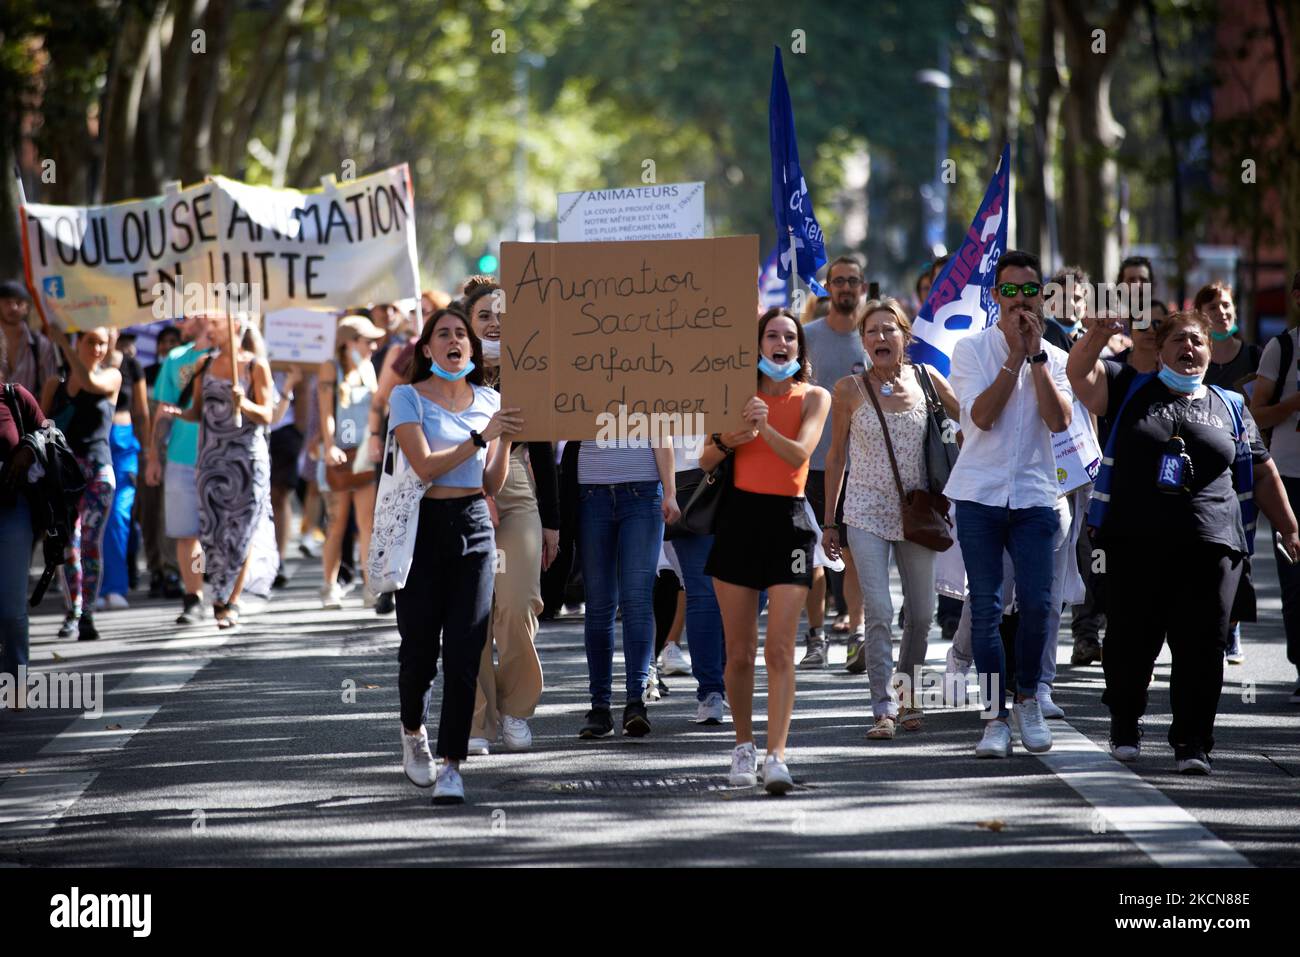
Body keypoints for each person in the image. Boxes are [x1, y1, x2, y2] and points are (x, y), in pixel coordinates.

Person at [1068, 308, 1299, 772]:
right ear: (1160, 350)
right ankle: (1126, 725)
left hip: (1212, 544)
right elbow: (1078, 374)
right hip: (1134, 544)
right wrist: (1096, 334)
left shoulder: (1231, 405)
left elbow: (1263, 468)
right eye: (1179, 340)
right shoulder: (1127, 388)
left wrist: (1290, 527)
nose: (1189, 348)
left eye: (1197, 341)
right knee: (1132, 640)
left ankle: (1192, 742)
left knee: (1203, 645)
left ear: (1210, 353)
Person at [943, 250, 1072, 759]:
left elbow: (1059, 422)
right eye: (1010, 291)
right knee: (988, 609)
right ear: (994, 296)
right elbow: (983, 417)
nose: (1021, 301)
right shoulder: (970, 348)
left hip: (1038, 495)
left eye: (1030, 291)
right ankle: (995, 717)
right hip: (979, 494)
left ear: (1042, 296)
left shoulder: (1057, 357)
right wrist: (1013, 356)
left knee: (1040, 605)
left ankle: (1028, 700)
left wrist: (1037, 357)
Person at [391, 305, 522, 804]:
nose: (453, 341)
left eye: (460, 335)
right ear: (427, 349)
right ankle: (412, 731)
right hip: (421, 529)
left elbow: (491, 483)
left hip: (473, 527)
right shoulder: (408, 398)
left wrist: (504, 438)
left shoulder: (489, 399)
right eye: (442, 334)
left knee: (466, 651)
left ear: (472, 348)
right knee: (420, 651)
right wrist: (480, 437)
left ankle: (451, 764)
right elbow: (423, 466)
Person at [703, 307, 830, 794]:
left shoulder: (814, 397)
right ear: (757, 345)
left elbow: (801, 454)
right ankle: (743, 746)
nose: (781, 344)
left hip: (789, 525)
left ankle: (777, 755)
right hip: (738, 522)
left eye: (789, 338)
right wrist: (728, 437)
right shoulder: (736, 395)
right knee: (739, 654)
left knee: (780, 648)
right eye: (772, 336)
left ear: (799, 350)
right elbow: (706, 457)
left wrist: (763, 428)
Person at [823, 298, 959, 738]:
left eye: (888, 330)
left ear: (906, 336)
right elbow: (836, 454)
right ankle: (883, 707)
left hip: (917, 510)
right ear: (862, 342)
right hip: (864, 510)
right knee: (879, 610)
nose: (880, 338)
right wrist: (830, 521)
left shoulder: (928, 380)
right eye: (871, 332)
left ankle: (908, 693)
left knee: (922, 614)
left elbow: (976, 421)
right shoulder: (848, 389)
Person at [460, 282, 561, 754]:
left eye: (502, 315)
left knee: (517, 605)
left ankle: (517, 708)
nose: (494, 323)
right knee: (472, 614)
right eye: (484, 315)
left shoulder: (529, 372)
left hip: (517, 489)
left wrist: (552, 523)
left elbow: (542, 450)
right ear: (468, 323)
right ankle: (480, 721)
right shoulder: (452, 374)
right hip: (458, 487)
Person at [165, 315, 277, 628]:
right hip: (211, 460)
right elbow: (197, 411)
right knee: (213, 533)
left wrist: (247, 405)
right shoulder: (203, 364)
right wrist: (177, 413)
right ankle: (218, 593)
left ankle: (229, 599)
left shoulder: (256, 366)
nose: (208, 330)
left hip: (247, 460)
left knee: (242, 530)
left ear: (235, 327)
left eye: (214, 324)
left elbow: (268, 415)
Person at [575, 436, 679, 739]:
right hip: (591, 492)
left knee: (636, 598)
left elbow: (662, 432)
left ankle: (636, 702)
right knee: (598, 603)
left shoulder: (649, 384)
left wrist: (670, 492)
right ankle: (599, 707)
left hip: (642, 490)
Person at [797, 255, 868, 671]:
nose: (843, 287)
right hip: (812, 465)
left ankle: (858, 634)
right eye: (836, 281)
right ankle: (815, 636)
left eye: (851, 281)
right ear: (827, 288)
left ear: (862, 287)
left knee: (857, 553)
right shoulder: (805, 337)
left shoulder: (872, 337)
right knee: (813, 556)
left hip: (862, 467)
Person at [41, 324, 121, 642]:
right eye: (91, 342)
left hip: (99, 471)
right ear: (80, 341)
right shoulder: (54, 383)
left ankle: (86, 612)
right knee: (68, 545)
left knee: (89, 542)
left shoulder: (111, 376)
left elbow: (89, 381)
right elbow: (42, 426)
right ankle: (72, 611)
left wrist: (63, 344)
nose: (98, 349)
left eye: (102, 343)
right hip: (65, 473)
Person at [1197, 281, 1260, 664]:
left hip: (1241, 461)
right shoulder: (1192, 355)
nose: (1223, 312)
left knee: (1239, 545)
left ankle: (1231, 624)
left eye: (1227, 305)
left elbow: (1260, 410)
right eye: (1215, 306)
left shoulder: (1253, 355)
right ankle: (1212, 623)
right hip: (1202, 464)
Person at [1247, 269, 1300, 704]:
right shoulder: (1281, 349)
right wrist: (1295, 403)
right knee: (1296, 581)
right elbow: (1257, 415)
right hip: (1292, 478)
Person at [145, 312, 212, 625]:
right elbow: (162, 411)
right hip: (182, 458)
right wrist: (154, 457)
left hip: (221, 458)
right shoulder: (174, 359)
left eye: (188, 316)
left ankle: (226, 596)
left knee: (220, 533)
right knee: (188, 534)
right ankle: (194, 595)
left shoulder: (230, 358)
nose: (181, 322)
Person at [317, 315, 384, 609]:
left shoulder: (369, 367)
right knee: (336, 523)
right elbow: (325, 412)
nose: (373, 345)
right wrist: (330, 446)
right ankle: (329, 586)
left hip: (365, 456)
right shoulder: (330, 368)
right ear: (349, 343)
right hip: (340, 456)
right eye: (367, 340)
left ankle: (371, 586)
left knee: (367, 523)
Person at [99, 328, 148, 608]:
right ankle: (88, 586)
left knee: (118, 515)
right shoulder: (80, 364)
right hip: (91, 444)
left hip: (124, 444)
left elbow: (142, 412)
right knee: (92, 518)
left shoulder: (132, 365)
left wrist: (150, 453)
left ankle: (115, 585)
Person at [0, 381, 42, 693]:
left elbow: (49, 429)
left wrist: (29, 447)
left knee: (12, 609)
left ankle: (15, 682)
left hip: (12, 510)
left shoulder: (14, 395)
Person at [268, 366, 308, 589]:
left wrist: (300, 431)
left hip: (285, 430)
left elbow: (304, 385)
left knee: (280, 495)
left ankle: (279, 559)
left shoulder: (292, 358)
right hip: (253, 429)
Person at [0, 280, 60, 400]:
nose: (13, 307)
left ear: (27, 307)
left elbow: (49, 386)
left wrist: (40, 417)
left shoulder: (40, 344)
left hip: (29, 416)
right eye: (7, 302)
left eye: (18, 302)